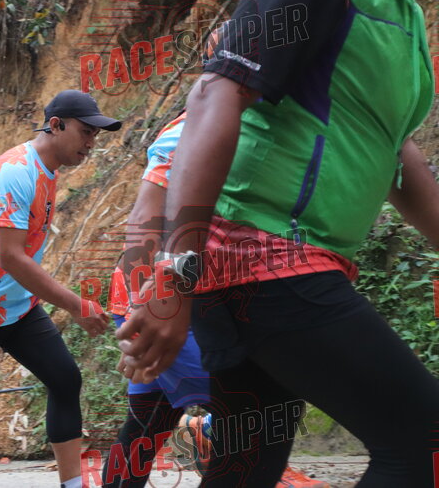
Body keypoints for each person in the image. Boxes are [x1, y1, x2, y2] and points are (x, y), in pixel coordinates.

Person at [117, 0, 439, 486]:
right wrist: (173, 276)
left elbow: (395, 152)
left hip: (282, 262)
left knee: (246, 469)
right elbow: (215, 93)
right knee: (425, 441)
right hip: (262, 253)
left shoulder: (398, 1)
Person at [101, 114, 327, 487]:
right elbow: (145, 218)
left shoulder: (266, 123)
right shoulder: (196, 127)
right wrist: (141, 313)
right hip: (163, 302)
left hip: (198, 299)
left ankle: (209, 435)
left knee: (146, 426)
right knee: (254, 406)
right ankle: (214, 437)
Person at [0, 89, 119, 488]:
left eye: (95, 135)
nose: (91, 143)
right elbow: (11, 257)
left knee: (65, 378)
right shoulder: (17, 171)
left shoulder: (46, 170)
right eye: (86, 132)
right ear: (55, 125)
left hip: (17, 306)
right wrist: (75, 304)